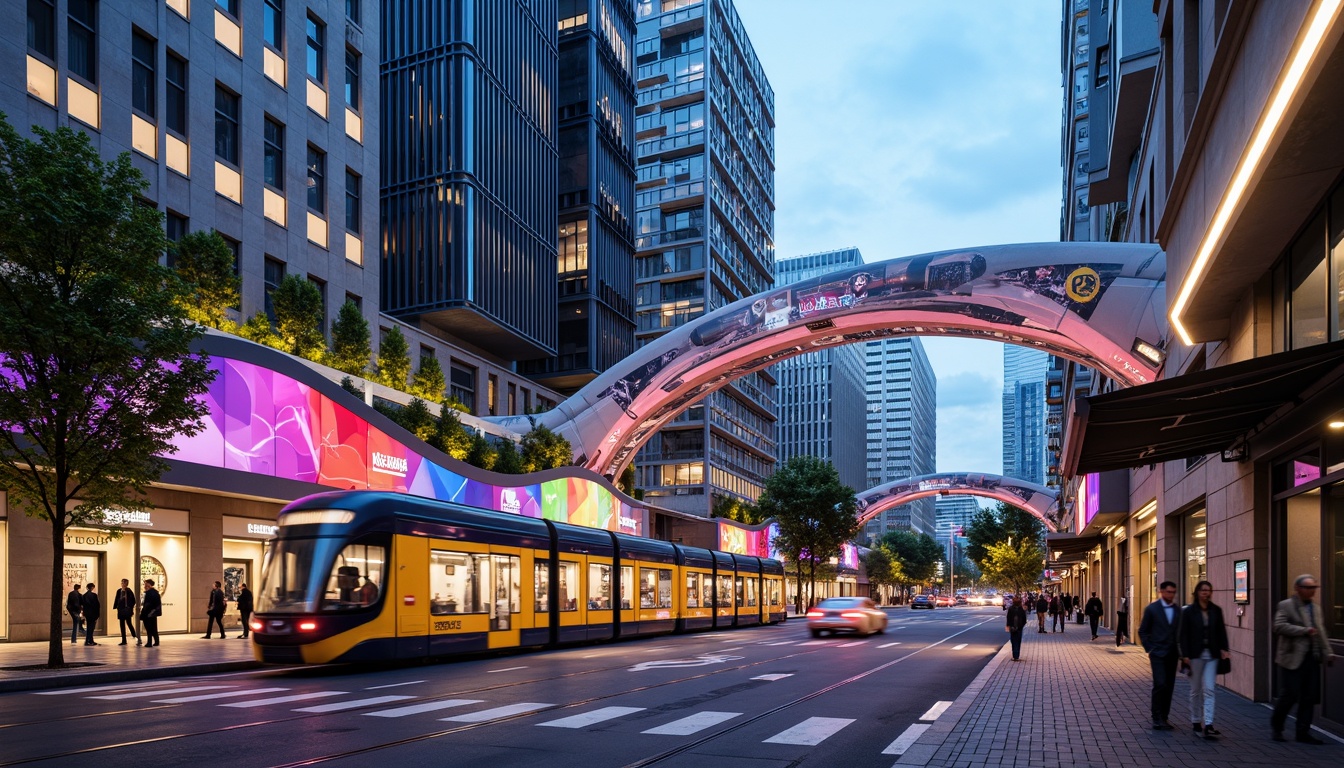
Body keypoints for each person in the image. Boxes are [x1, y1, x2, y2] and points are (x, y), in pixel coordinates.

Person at [1271, 574, 1334, 744]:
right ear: (1298, 588)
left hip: (1312, 658)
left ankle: (1303, 732)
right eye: (1308, 587)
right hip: (1291, 658)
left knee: (1309, 697)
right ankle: (1277, 727)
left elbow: (1320, 631)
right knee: (1289, 695)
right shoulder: (1286, 605)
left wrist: (1328, 652)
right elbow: (1278, 626)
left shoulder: (1316, 608)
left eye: (1314, 587)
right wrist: (1303, 630)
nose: (1312, 591)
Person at [1179, 580, 1229, 739]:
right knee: (1195, 690)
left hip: (1212, 655)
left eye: (1208, 590)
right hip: (1194, 656)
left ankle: (1208, 723)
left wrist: (1224, 649)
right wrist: (1184, 655)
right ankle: (1195, 721)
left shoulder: (1216, 610)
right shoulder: (1188, 612)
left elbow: (1222, 631)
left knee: (1209, 689)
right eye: (1203, 590)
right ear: (1197, 593)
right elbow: (1183, 635)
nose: (1206, 593)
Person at [1138, 580, 1181, 730]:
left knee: (1169, 686)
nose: (1171, 595)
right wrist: (1150, 648)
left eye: (1173, 592)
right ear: (1161, 592)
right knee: (1160, 683)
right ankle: (1156, 716)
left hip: (1172, 654)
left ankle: (1164, 717)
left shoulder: (1177, 610)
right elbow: (1143, 630)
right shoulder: (1152, 609)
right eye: (1169, 592)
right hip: (1157, 653)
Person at [113, 578, 140, 646]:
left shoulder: (129, 591)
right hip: (121, 610)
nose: (123, 584)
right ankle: (124, 640)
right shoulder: (119, 591)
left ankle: (134, 635)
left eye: (124, 583)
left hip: (127, 610)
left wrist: (130, 607)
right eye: (122, 583)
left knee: (129, 623)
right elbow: (117, 599)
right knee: (122, 625)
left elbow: (133, 600)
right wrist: (117, 606)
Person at [1006, 596, 1028, 661]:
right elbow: (1024, 619)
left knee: (1013, 641)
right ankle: (1017, 655)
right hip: (1019, 627)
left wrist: (1008, 625)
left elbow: (1008, 618)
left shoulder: (1011, 609)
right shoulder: (1021, 609)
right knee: (1018, 641)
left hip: (1012, 627)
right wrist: (1021, 625)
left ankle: (1014, 655)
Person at [140, 579, 162, 647]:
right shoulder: (155, 593)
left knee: (149, 628)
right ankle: (156, 641)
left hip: (148, 613)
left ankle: (149, 642)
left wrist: (144, 611)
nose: (144, 586)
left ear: (149, 584)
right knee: (154, 627)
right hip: (153, 613)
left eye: (146, 584)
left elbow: (146, 604)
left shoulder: (149, 593)